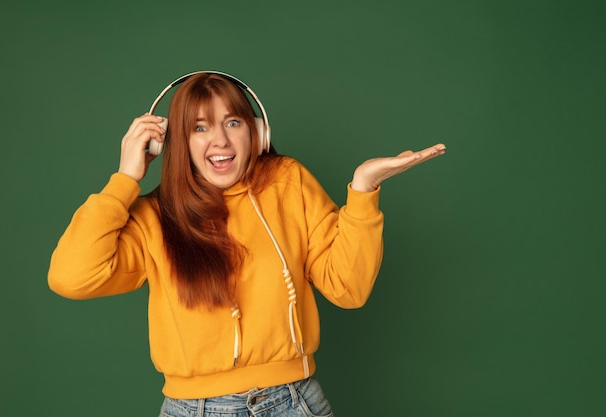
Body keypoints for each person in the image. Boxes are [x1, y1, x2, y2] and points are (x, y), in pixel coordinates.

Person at [48, 71, 446, 417]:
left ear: (257, 132)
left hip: (295, 400)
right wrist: (124, 180)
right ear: (174, 143)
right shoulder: (153, 217)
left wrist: (363, 189)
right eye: (200, 128)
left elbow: (349, 288)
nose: (219, 140)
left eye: (233, 122)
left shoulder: (288, 182)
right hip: (193, 409)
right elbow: (71, 277)